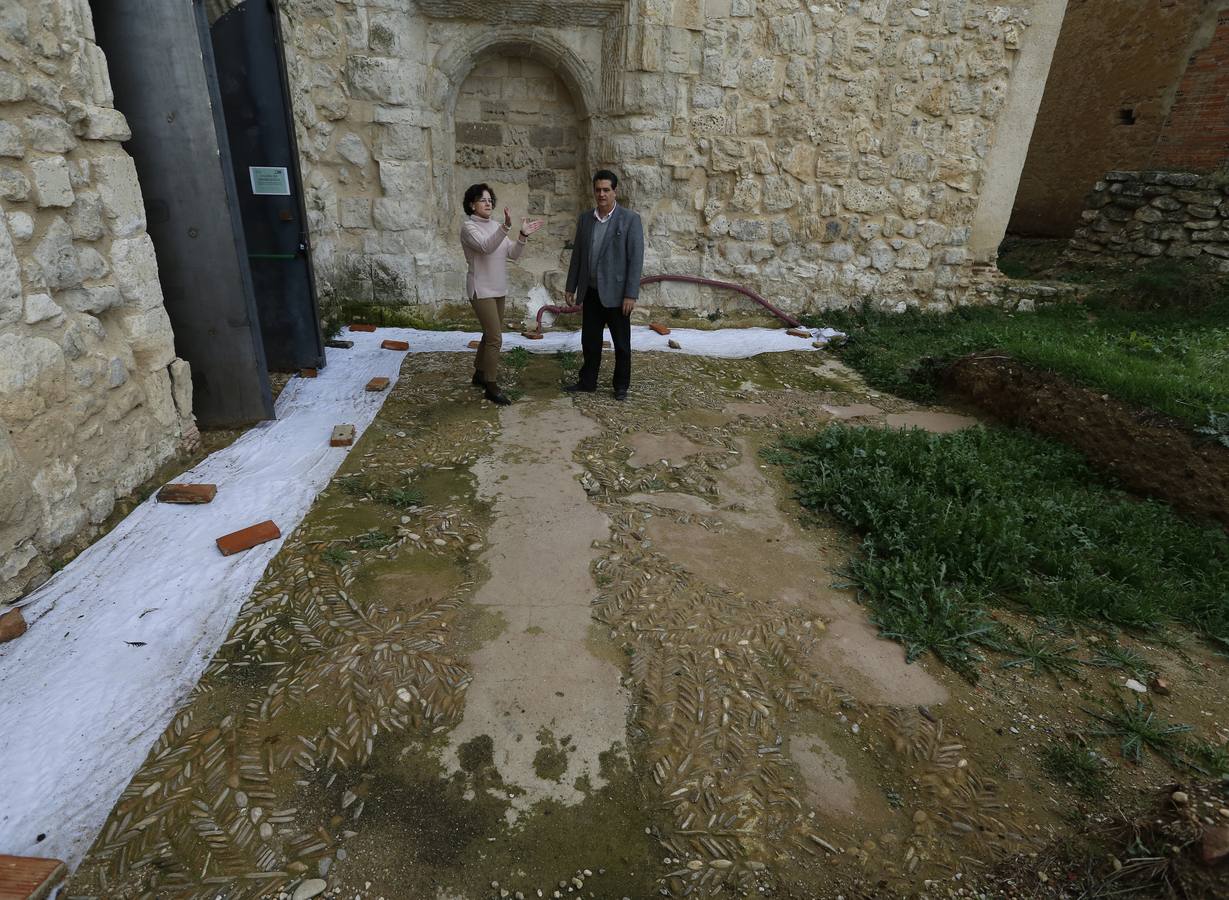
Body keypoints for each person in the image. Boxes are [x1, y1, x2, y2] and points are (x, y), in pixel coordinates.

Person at [562, 170, 644, 401]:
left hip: (618, 295)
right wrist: (571, 286)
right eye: (598, 190)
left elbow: (635, 260)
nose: (601, 194)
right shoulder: (586, 219)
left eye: (606, 190)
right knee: (589, 341)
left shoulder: (629, 220)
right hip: (591, 292)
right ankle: (587, 382)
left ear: (614, 192)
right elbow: (577, 255)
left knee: (621, 344)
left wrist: (631, 294)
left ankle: (620, 386)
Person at [460, 182, 542, 405]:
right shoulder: (469, 228)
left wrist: (522, 236)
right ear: (472, 204)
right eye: (482, 200)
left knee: (489, 334)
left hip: (498, 289)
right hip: (480, 289)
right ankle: (491, 385)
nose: (487, 203)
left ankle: (479, 373)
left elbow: (512, 253)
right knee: (496, 338)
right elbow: (485, 246)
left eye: (489, 200)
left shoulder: (495, 226)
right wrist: (505, 227)